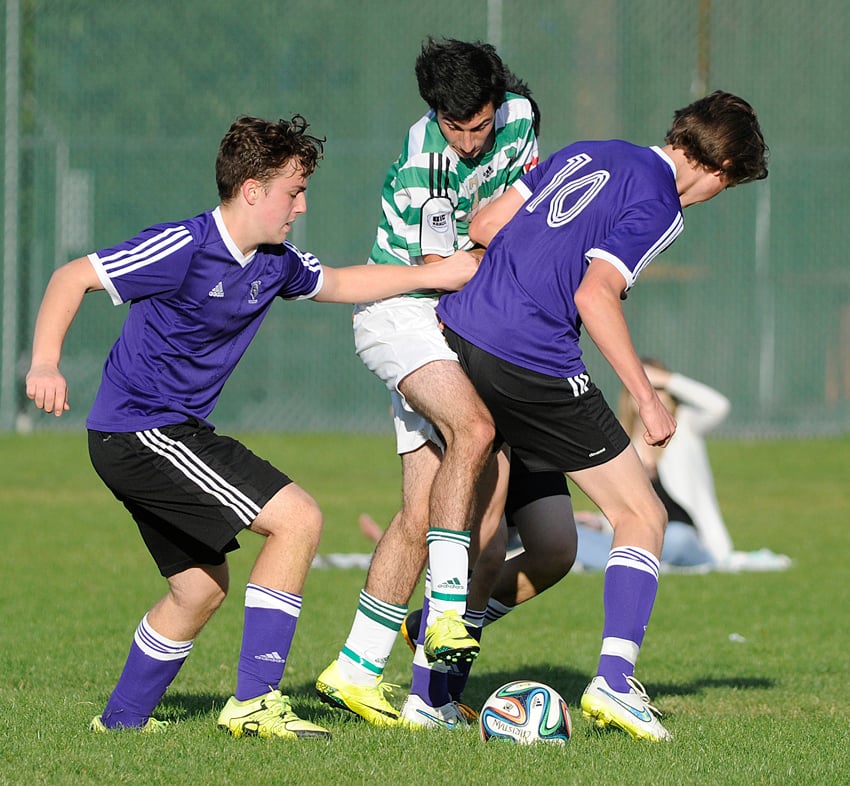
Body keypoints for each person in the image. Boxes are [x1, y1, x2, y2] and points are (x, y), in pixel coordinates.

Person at [24, 114, 478, 739]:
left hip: (157, 433)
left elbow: (342, 281)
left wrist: (434, 274)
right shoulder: (185, 246)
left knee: (199, 590)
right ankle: (256, 702)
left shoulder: (274, 262)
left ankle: (121, 724)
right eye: (294, 191)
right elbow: (70, 278)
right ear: (253, 190)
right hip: (142, 431)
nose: (302, 205)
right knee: (297, 519)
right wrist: (45, 362)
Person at [436, 90, 769, 742]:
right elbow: (596, 293)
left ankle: (434, 673)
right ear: (720, 165)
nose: (714, 195)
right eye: (727, 185)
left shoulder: (592, 150)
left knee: (555, 546)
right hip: (531, 354)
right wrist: (646, 396)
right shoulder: (662, 200)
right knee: (641, 514)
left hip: (466, 334)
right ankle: (615, 683)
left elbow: (483, 226)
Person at [315, 37, 542, 728]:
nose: (470, 143)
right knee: (475, 430)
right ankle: (444, 615)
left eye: (479, 126)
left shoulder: (523, 117)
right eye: (455, 128)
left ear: (497, 105)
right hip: (403, 312)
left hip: (451, 318)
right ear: (434, 116)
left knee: (425, 516)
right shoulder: (424, 168)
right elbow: (453, 269)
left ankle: (359, 672)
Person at [574, 358, 792, 572]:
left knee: (676, 538)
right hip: (642, 533)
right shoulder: (622, 443)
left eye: (657, 389)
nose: (650, 396)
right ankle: (643, 562)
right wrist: (598, 523)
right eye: (640, 390)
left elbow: (719, 406)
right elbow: (625, 504)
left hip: (686, 535)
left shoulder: (685, 427)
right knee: (572, 534)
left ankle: (633, 562)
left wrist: (667, 379)